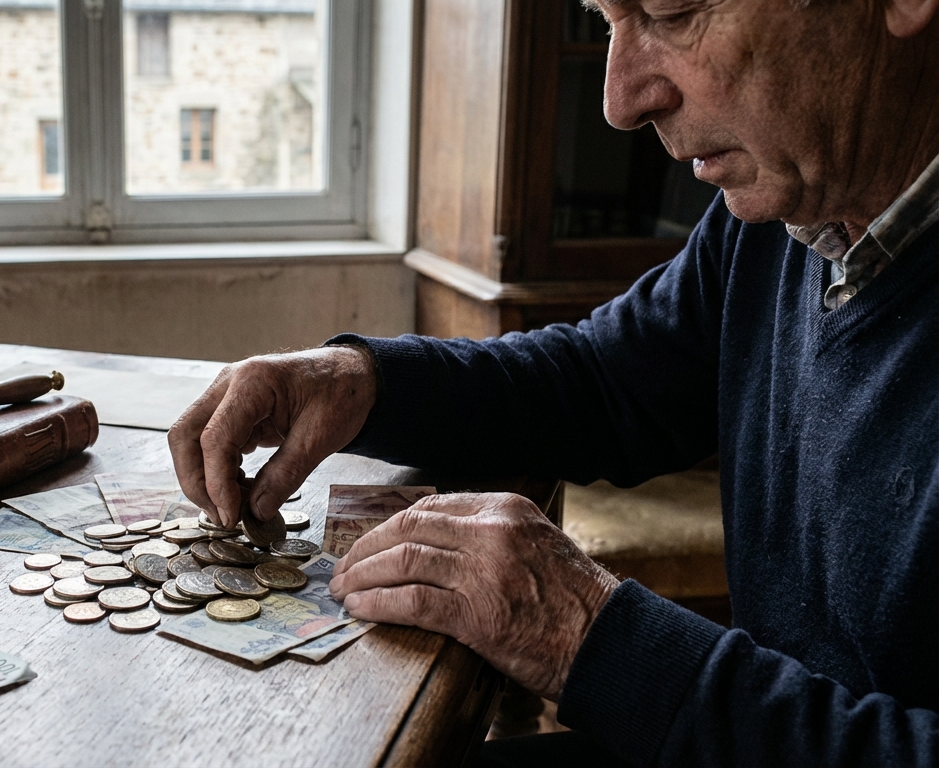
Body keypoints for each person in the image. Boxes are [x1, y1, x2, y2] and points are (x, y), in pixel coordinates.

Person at [167, 0, 939, 764]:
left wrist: (593, 639)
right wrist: (366, 380)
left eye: (672, 12)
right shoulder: (783, 216)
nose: (621, 100)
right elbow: (604, 379)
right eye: (607, 21)